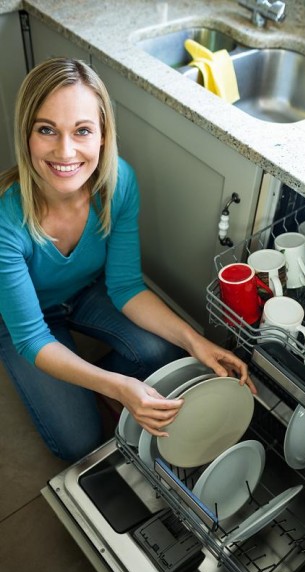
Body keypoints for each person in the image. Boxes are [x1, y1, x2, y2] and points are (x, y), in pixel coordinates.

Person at [0, 57, 255, 462]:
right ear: (26, 135)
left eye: (82, 130)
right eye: (46, 129)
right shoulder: (6, 218)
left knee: (164, 352)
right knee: (79, 442)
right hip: (24, 320)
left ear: (103, 135)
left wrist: (196, 341)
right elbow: (32, 337)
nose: (65, 151)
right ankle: (88, 379)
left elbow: (125, 286)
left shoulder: (118, 184)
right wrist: (117, 386)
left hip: (86, 292)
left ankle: (86, 376)